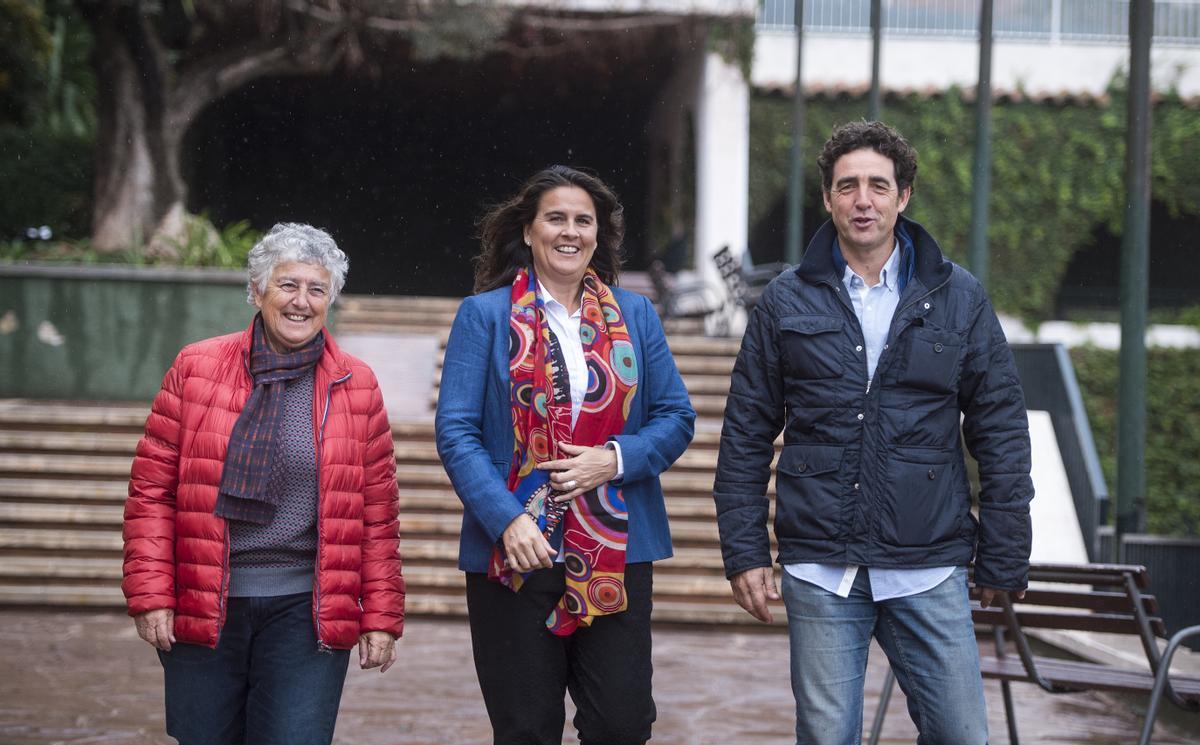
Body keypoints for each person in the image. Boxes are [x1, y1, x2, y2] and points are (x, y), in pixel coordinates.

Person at [712, 121, 1033, 744]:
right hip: (821, 564)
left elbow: (1000, 427)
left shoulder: (958, 295)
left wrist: (1003, 549)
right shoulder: (785, 300)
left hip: (928, 561)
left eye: (878, 186)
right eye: (848, 186)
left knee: (963, 735)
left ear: (903, 196)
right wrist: (745, 551)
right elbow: (746, 431)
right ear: (828, 198)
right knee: (828, 737)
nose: (864, 199)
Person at [435, 165, 695, 745]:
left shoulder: (637, 315)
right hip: (517, 556)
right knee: (526, 728)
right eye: (556, 218)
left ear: (598, 236)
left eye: (584, 220)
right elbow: (456, 431)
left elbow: (677, 417)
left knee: (622, 724)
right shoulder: (484, 316)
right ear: (528, 231)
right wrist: (506, 520)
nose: (569, 231)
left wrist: (615, 458)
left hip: (619, 548)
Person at [123, 223, 405, 745]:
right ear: (256, 291)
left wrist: (382, 614)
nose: (302, 302)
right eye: (288, 285)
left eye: (317, 289)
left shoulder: (356, 384)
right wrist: (151, 595)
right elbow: (151, 493)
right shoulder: (196, 367)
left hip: (307, 608)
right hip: (204, 599)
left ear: (331, 300)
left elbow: (376, 513)